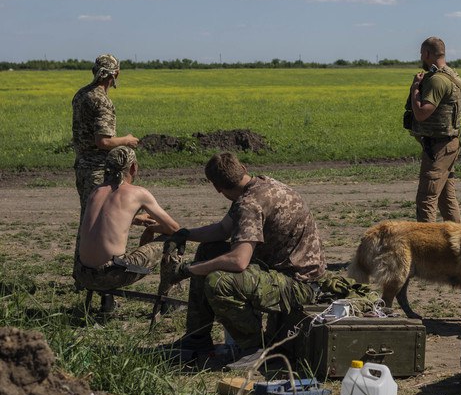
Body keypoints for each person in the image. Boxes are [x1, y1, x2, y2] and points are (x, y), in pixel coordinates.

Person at [160, 152, 326, 367]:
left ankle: (253, 346)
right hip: (291, 273)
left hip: (298, 285)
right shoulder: (261, 185)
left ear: (217, 188)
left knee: (218, 282)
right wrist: (184, 234)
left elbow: (239, 261)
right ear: (244, 169)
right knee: (209, 250)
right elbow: (222, 230)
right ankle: (197, 338)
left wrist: (188, 269)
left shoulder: (248, 204)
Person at [72, 54, 141, 304]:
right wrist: (127, 140)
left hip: (81, 165)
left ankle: (81, 274)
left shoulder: (81, 94)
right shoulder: (102, 101)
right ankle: (98, 276)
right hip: (98, 169)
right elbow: (103, 141)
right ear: (115, 74)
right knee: (101, 221)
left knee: (86, 219)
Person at [74, 146, 180, 292]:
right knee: (174, 238)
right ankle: (168, 295)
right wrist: (151, 228)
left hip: (83, 274)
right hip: (111, 275)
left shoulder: (95, 191)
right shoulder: (139, 193)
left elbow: (105, 222)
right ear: (133, 167)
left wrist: (135, 219)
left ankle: (107, 303)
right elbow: (174, 228)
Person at [408, 36, 461, 223]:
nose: (421, 58)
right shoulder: (451, 75)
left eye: (422, 54)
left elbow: (422, 113)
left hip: (438, 148)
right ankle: (458, 246)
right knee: (446, 198)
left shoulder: (437, 80)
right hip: (448, 144)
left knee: (426, 199)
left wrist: (415, 89)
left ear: (427, 54)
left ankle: (426, 247)